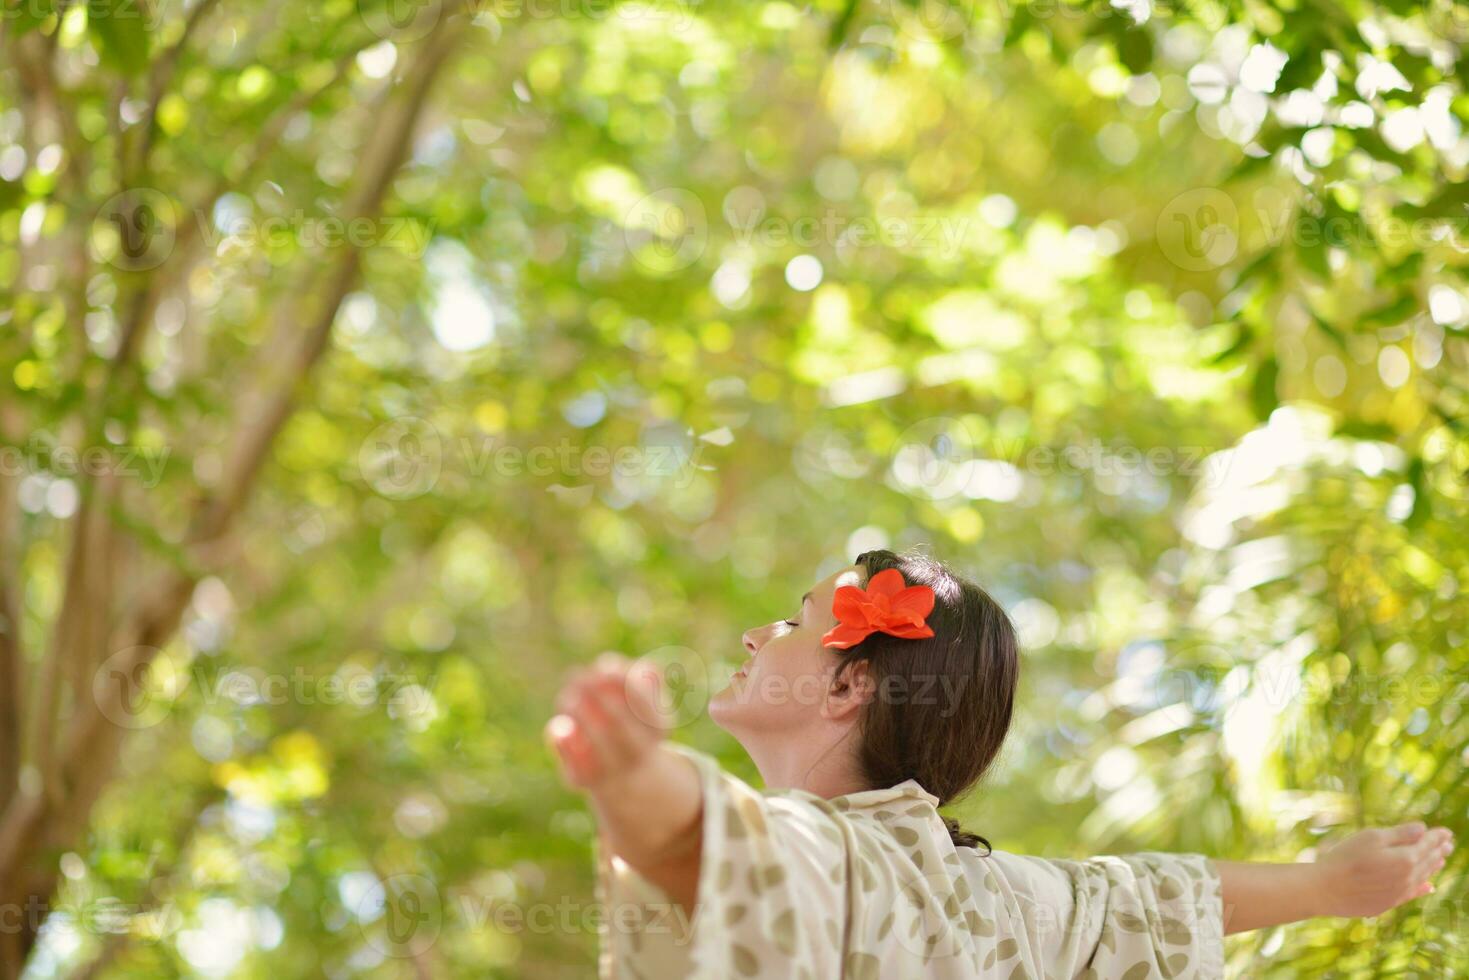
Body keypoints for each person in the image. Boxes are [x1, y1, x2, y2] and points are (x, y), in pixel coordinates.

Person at [546, 549, 1454, 978]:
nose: (756, 633)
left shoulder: (835, 854)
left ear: (848, 687)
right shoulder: (1003, 896)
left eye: (791, 620)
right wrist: (1327, 886)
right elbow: (1146, 896)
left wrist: (628, 776)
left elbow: (701, 846)